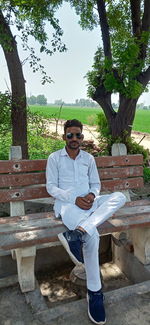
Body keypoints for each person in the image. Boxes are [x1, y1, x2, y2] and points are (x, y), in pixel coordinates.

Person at [46, 119, 126, 324]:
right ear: (64, 137)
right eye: (70, 135)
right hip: (67, 206)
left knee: (119, 197)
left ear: (82, 137)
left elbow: (96, 184)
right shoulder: (55, 158)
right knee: (92, 236)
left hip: (90, 204)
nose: (74, 139)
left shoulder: (89, 158)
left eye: (78, 135)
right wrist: (74, 199)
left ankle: (79, 231)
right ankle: (95, 293)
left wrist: (91, 195)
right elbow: (51, 188)